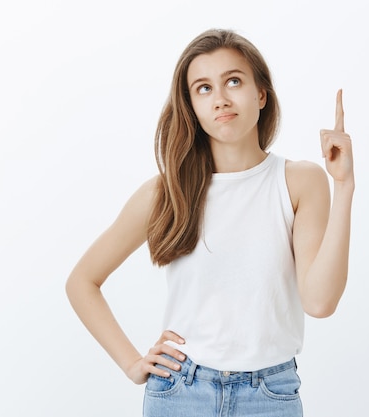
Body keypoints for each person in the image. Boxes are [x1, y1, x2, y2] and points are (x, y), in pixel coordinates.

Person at [65, 28, 354, 417]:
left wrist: (344, 187)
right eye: (203, 88)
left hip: (270, 395)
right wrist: (132, 363)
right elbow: (82, 282)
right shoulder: (166, 192)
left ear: (261, 94)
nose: (220, 99)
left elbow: (319, 302)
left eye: (233, 81)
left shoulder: (299, 181)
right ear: (192, 106)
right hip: (181, 392)